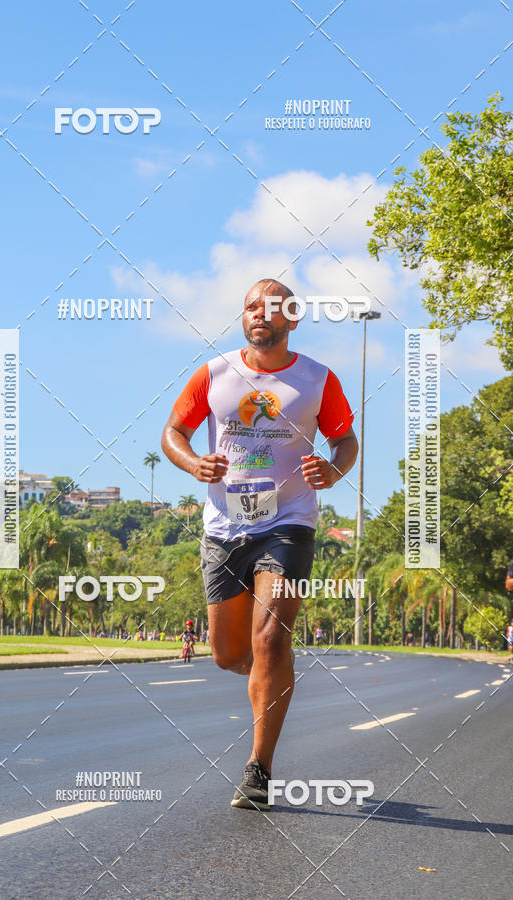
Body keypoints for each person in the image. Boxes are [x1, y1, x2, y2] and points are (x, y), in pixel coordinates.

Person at [161, 278, 358, 809]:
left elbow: (345, 440)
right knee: (229, 655)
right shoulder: (215, 374)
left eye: (272, 309)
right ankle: (273, 675)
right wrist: (193, 462)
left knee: (271, 640)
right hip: (225, 528)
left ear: (292, 318)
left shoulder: (317, 379)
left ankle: (258, 770)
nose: (260, 315)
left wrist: (333, 470)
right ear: (242, 317)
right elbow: (172, 433)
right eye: (251, 307)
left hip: (289, 522)